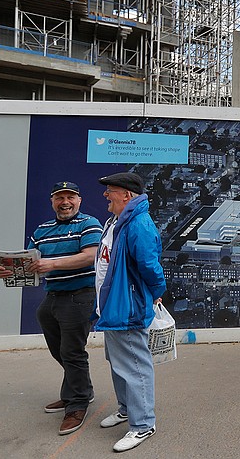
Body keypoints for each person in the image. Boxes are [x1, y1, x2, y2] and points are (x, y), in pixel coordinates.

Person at [0, 181, 102, 436]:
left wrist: (51, 264)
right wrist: (4, 270)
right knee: (61, 350)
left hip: (80, 295)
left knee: (72, 352)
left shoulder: (89, 223)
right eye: (59, 197)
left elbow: (90, 256)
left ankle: (77, 405)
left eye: (70, 197)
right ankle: (79, 389)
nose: (65, 202)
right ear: (52, 201)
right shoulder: (42, 230)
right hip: (53, 296)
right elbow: (29, 260)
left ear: (79, 200)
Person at [93, 172, 166, 453]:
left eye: (109, 190)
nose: (105, 195)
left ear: (126, 195)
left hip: (128, 307)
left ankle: (143, 424)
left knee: (134, 364)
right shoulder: (116, 221)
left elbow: (150, 265)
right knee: (118, 362)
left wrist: (157, 291)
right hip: (112, 308)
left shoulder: (138, 224)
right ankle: (126, 409)